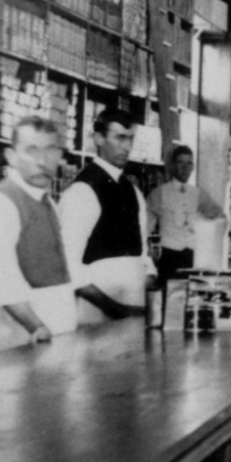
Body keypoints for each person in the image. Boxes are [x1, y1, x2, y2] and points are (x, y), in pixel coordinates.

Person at [0, 117, 87, 353]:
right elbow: (3, 284)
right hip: (22, 341)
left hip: (54, 341)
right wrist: (38, 328)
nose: (43, 161)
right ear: (11, 157)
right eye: (32, 150)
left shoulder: (47, 201)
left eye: (51, 150)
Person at [59, 109, 153, 325]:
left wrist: (151, 295)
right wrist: (116, 310)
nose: (127, 147)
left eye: (130, 138)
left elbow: (143, 254)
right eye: (120, 137)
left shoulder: (133, 191)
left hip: (133, 306)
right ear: (99, 139)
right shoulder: (83, 191)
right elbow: (68, 266)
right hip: (97, 312)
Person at [146, 144, 224, 281]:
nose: (184, 168)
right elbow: (144, 225)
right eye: (180, 162)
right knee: (170, 298)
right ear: (172, 165)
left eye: (188, 163)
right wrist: (148, 255)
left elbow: (219, 217)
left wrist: (205, 240)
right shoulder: (159, 193)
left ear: (193, 167)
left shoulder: (198, 193)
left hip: (193, 257)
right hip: (169, 256)